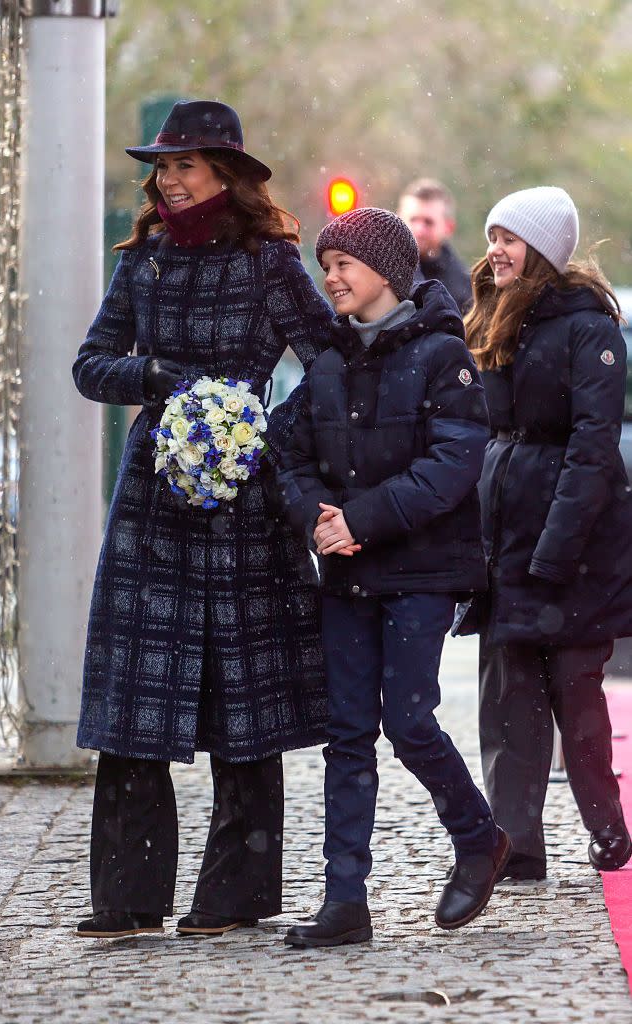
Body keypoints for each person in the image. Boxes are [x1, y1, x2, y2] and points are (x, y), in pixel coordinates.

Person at [71, 100, 334, 940]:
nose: (169, 180)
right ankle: (124, 897)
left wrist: (263, 429)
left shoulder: (271, 261)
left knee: (242, 698)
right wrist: (151, 377)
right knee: (133, 698)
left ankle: (234, 895)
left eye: (185, 165)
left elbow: (327, 362)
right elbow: (89, 365)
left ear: (226, 173)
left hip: (245, 503)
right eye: (163, 167)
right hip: (153, 499)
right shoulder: (141, 262)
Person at [278, 208, 509, 949]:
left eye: (343, 263)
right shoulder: (325, 360)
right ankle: (344, 901)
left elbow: (450, 467)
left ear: (386, 270)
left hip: (423, 571)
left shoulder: (444, 355)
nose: (331, 277)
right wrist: (314, 515)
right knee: (347, 733)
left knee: (407, 719)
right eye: (326, 264)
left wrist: (361, 518)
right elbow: (285, 454)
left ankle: (478, 840)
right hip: (347, 573)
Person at [461, 185, 632, 880]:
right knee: (507, 697)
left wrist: (554, 552)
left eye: (507, 237)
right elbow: (486, 430)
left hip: (575, 547)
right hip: (506, 527)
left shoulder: (589, 328)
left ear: (542, 247)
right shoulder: (495, 315)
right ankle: (514, 844)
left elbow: (593, 449)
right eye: (491, 235)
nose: (493, 249)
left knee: (572, 689)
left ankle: (606, 824)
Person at [398, 177, 472, 313]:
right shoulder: (378, 271)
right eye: (413, 219)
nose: (419, 230)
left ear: (448, 227)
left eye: (428, 222)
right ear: (398, 218)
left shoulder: (464, 287)